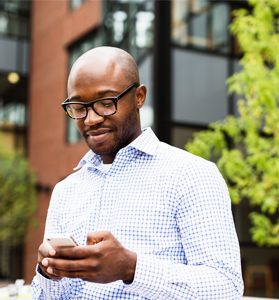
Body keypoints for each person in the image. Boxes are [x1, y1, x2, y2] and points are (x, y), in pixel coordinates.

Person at [31, 46, 244, 299]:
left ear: (139, 97)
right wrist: (49, 274)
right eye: (79, 107)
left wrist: (131, 268)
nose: (90, 119)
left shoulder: (192, 174)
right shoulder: (65, 191)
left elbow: (226, 288)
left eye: (105, 103)